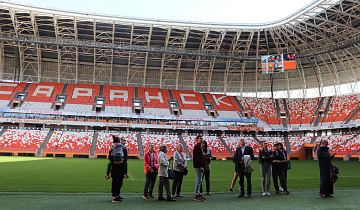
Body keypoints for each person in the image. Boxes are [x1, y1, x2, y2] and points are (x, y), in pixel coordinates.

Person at [108, 136, 128, 203]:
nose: (122, 141)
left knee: (120, 181)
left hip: (121, 166)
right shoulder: (113, 147)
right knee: (115, 180)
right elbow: (109, 155)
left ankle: (117, 194)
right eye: (121, 140)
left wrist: (123, 162)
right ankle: (114, 196)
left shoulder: (123, 148)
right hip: (115, 166)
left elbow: (125, 157)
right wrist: (113, 161)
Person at [193, 135, 206, 202]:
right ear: (197, 139)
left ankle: (198, 194)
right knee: (198, 180)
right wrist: (201, 166)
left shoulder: (199, 147)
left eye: (202, 138)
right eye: (200, 138)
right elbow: (198, 158)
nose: (201, 139)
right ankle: (196, 195)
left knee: (200, 180)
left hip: (199, 166)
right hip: (198, 166)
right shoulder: (197, 147)